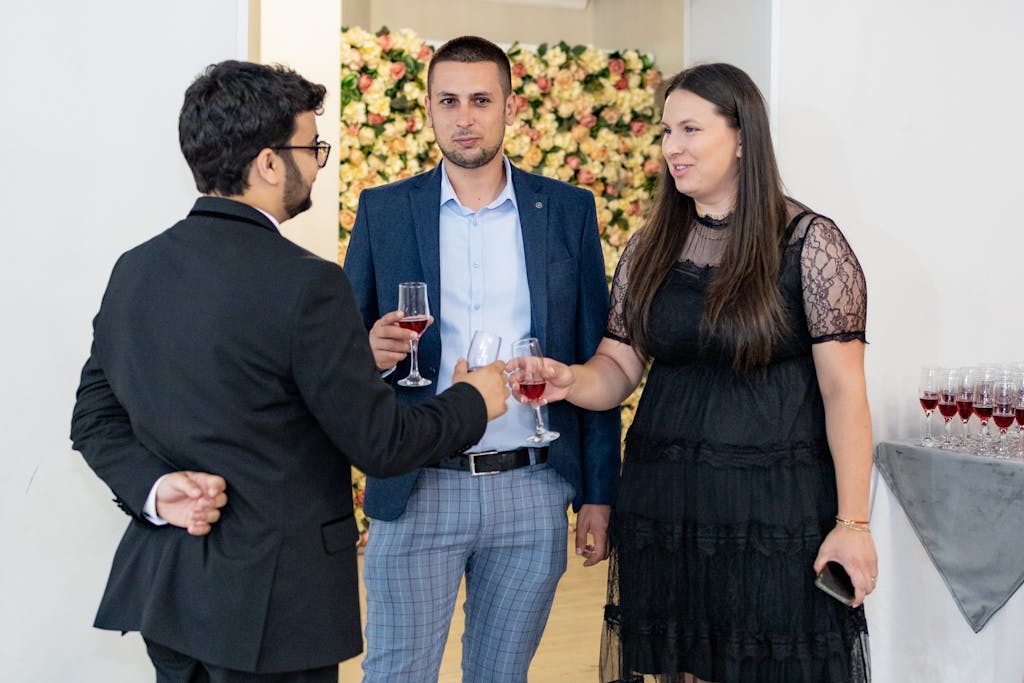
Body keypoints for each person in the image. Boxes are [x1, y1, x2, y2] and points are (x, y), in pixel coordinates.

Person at [70, 59, 510, 683]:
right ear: (270, 163)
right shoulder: (308, 285)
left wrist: (156, 491)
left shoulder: (135, 268)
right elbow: (382, 444)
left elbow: (94, 417)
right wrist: (474, 397)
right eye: (313, 146)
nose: (317, 163)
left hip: (168, 597)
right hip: (276, 609)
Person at [513, 63, 876, 682]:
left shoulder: (810, 244)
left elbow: (845, 391)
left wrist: (853, 523)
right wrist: (572, 380)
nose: (671, 148)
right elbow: (619, 365)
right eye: (665, 132)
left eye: (689, 129)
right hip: (666, 504)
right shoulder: (650, 244)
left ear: (741, 137)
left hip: (772, 513)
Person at [343, 35, 621, 683]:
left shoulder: (568, 213)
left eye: (479, 100)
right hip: (419, 483)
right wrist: (368, 350)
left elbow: (594, 353)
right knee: (395, 674)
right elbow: (344, 354)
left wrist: (599, 496)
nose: (464, 116)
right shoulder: (384, 211)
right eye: (448, 101)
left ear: (510, 108)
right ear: (430, 111)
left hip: (533, 488)